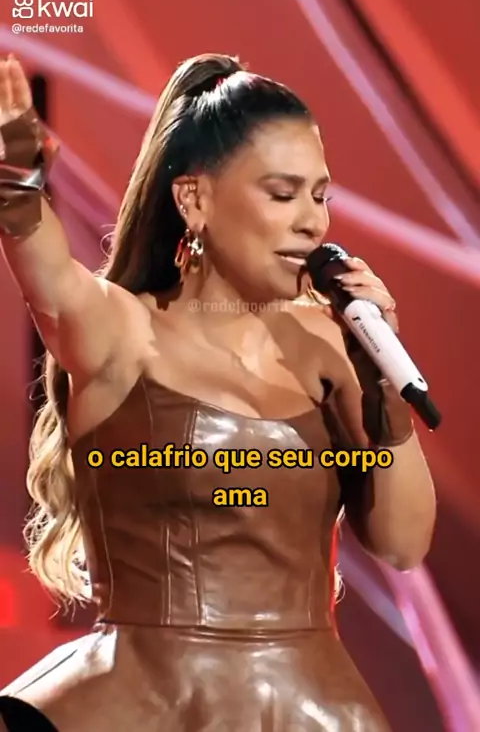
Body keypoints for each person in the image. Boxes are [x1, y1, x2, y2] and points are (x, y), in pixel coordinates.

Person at [0, 52, 436, 732]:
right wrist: (14, 162)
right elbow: (45, 267)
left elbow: (403, 544)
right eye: (283, 194)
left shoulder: (334, 348)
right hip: (134, 702)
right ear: (194, 200)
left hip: (309, 709)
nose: (313, 223)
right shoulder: (123, 329)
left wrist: (381, 386)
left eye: (320, 197)